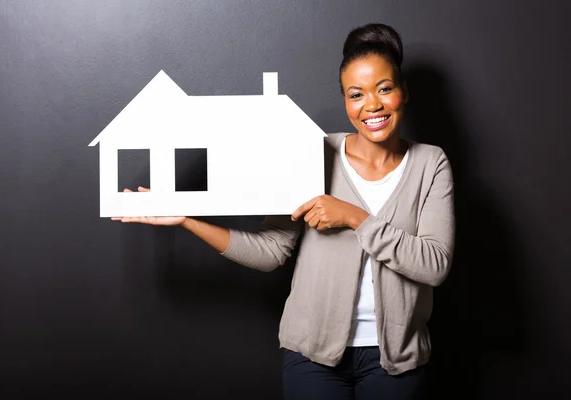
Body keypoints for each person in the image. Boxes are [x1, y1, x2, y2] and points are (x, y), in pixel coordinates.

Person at [114, 23, 455, 400]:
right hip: (312, 357)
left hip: (396, 363)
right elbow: (271, 251)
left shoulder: (430, 163)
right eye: (356, 94)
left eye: (384, 89)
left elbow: (434, 265)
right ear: (345, 100)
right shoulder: (315, 152)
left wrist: (354, 216)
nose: (371, 105)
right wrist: (186, 220)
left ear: (403, 92)